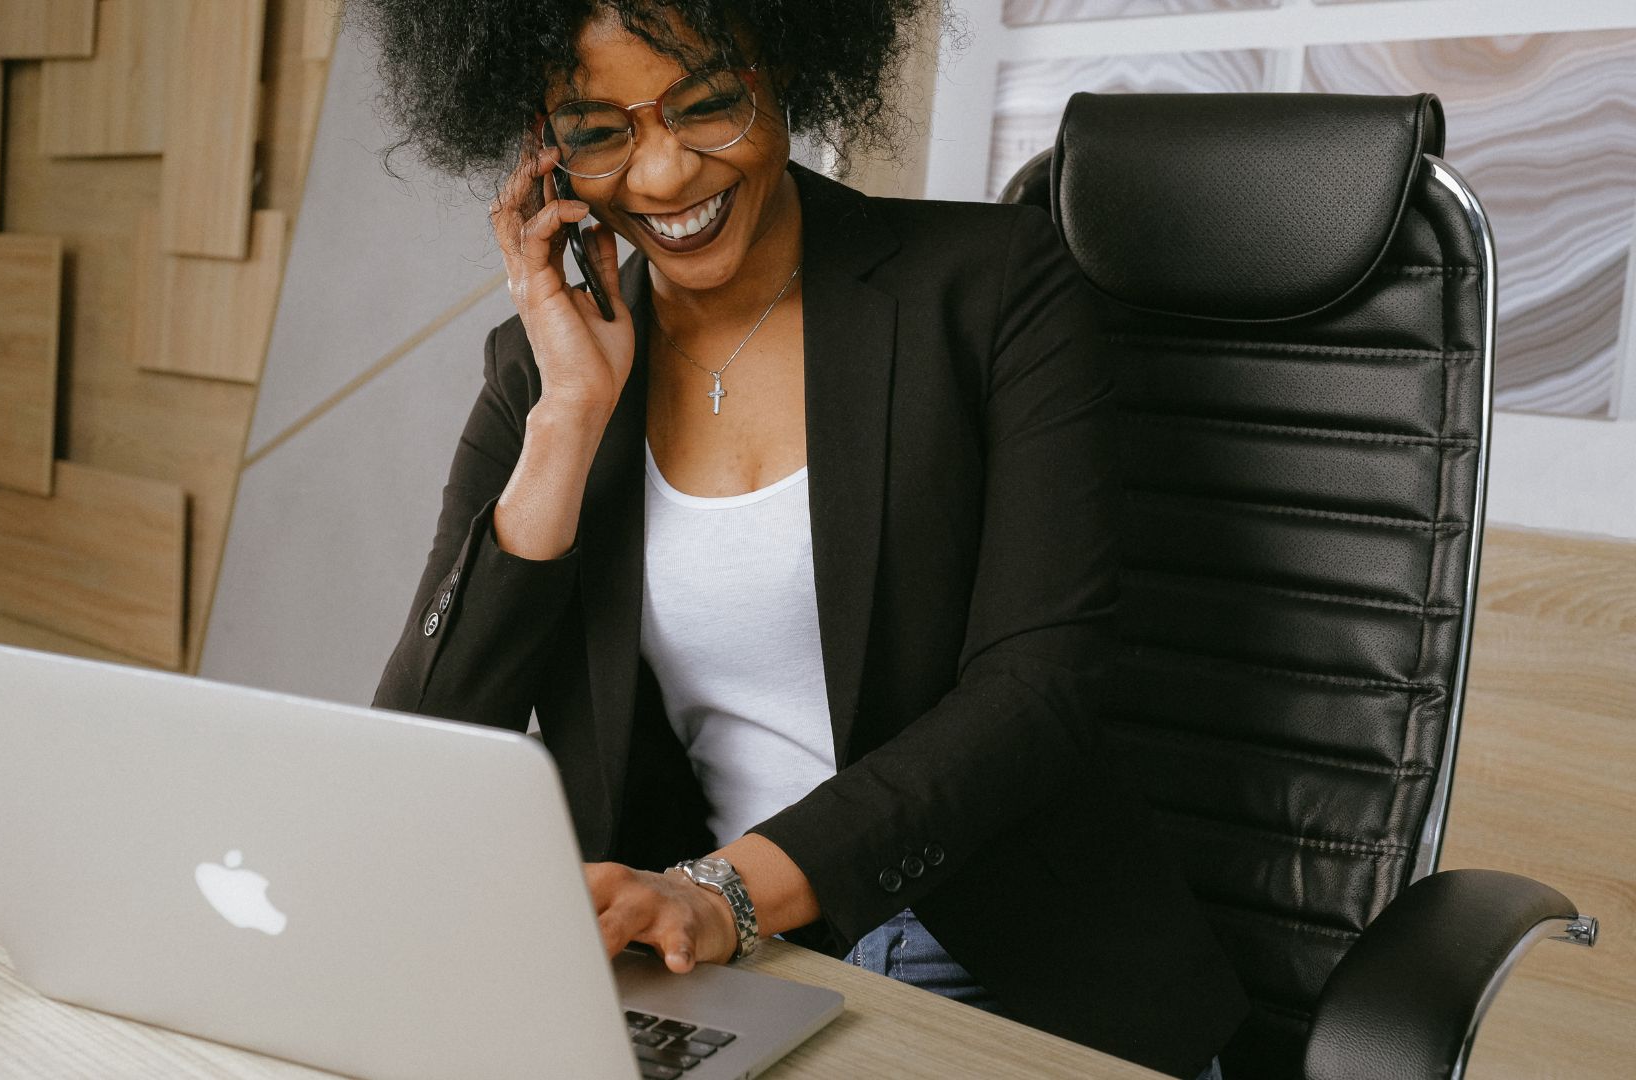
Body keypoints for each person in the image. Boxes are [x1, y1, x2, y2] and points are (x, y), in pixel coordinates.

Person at [357, 2, 1247, 1076]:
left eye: (709, 106)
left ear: (787, 68)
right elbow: (424, 747)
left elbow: (1040, 685)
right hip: (702, 971)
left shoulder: (995, 284)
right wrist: (567, 419)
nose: (664, 174)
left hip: (997, 956)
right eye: (600, 131)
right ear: (546, 153)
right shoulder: (542, 365)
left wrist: (725, 892)